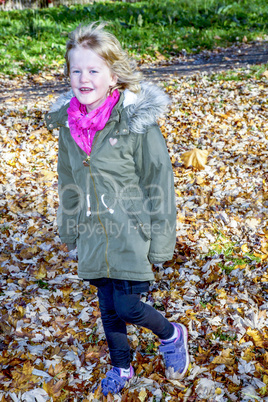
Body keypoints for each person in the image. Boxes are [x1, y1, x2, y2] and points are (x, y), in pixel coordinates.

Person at [45, 22, 189, 396]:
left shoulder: (134, 122)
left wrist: (161, 239)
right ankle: (121, 368)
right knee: (108, 309)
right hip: (94, 232)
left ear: (113, 75)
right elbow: (67, 179)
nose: (83, 78)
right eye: (76, 70)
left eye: (93, 70)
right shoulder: (68, 126)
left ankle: (171, 334)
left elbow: (159, 181)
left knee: (127, 306)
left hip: (131, 231)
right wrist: (69, 226)